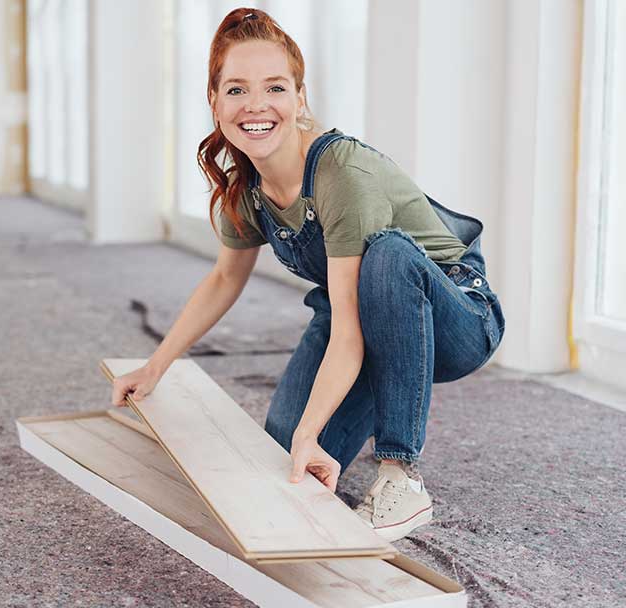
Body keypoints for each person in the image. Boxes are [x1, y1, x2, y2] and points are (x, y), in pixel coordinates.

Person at [110, 8, 505, 542]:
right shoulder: (243, 187)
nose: (255, 105)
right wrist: (155, 367)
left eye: (274, 87)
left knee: (386, 254)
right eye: (236, 89)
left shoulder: (343, 172)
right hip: (364, 318)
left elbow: (348, 327)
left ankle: (399, 476)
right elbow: (225, 280)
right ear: (214, 101)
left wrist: (311, 428)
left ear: (299, 99)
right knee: (281, 456)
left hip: (456, 316)